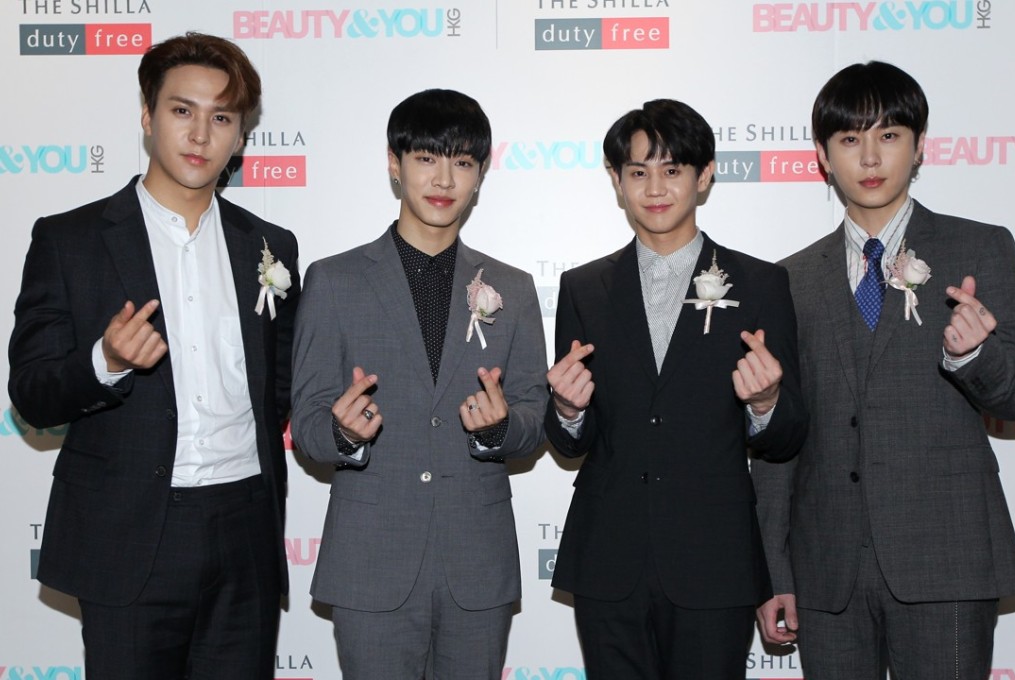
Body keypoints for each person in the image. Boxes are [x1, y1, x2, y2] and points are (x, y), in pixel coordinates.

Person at [7, 32, 300, 680]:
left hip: (245, 531)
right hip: (129, 533)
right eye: (181, 110)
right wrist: (105, 361)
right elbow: (31, 391)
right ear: (147, 116)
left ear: (240, 136)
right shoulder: (70, 240)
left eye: (221, 118)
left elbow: (278, 385)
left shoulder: (270, 246)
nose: (200, 134)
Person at [752, 61, 1015, 680]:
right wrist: (773, 569)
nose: (870, 157)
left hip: (947, 557)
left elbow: (1014, 395)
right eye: (850, 139)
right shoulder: (788, 279)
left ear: (920, 146)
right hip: (826, 569)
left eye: (890, 135)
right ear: (823, 156)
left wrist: (974, 356)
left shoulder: (980, 248)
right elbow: (777, 440)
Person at [544, 98, 807, 680]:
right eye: (638, 171)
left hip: (715, 557)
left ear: (704, 175)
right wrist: (566, 410)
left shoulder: (760, 283)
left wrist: (765, 403)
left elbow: (788, 434)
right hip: (608, 556)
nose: (655, 188)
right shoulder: (583, 288)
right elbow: (570, 442)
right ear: (616, 180)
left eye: (672, 169)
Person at [290, 88, 547, 680]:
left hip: (476, 563)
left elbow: (534, 414)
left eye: (462, 162)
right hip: (370, 560)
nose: (444, 179)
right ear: (394, 163)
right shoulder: (334, 281)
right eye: (427, 158)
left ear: (480, 175)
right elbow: (307, 425)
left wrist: (500, 429)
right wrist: (343, 434)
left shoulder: (511, 288)